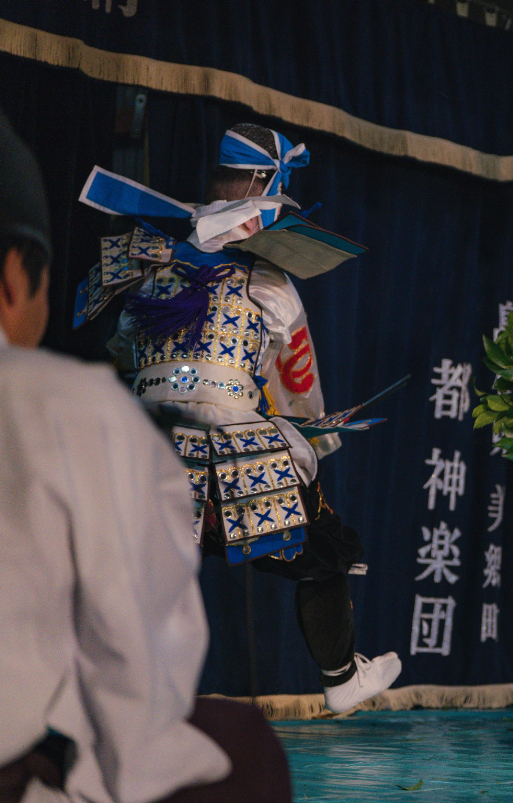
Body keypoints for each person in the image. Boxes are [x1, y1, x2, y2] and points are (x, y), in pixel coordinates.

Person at [0, 110, 291, 803]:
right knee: (243, 757)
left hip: (214, 418)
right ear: (12, 283)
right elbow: (136, 671)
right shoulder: (73, 409)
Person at [76, 123, 399, 713]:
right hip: (233, 449)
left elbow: (120, 351)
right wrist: (310, 436)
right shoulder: (267, 280)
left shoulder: (146, 265)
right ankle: (340, 676)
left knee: (125, 566)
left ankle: (108, 690)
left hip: (148, 449)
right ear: (266, 187)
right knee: (322, 544)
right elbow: (297, 376)